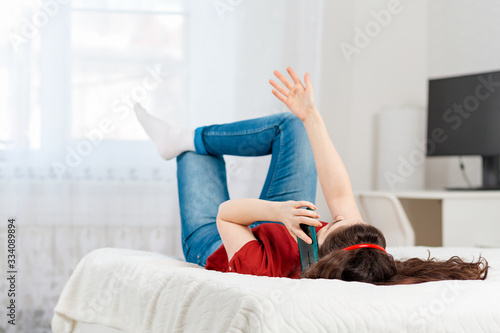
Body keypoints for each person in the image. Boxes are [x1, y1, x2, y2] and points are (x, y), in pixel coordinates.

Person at [134, 67, 488, 284]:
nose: (330, 218)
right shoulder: (359, 250)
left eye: (330, 224)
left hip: (216, 239)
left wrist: (276, 212)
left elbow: (227, 213)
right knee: (291, 125)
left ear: (319, 251)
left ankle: (184, 142)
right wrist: (312, 115)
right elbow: (339, 192)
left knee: (198, 156)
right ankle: (183, 136)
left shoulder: (260, 272)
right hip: (282, 225)